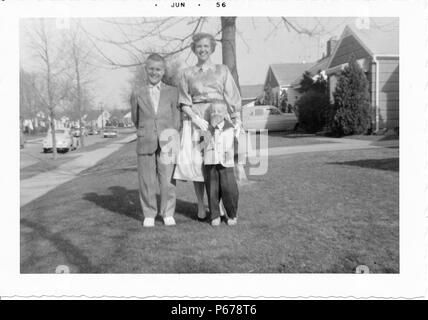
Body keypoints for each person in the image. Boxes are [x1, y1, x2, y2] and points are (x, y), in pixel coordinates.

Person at [173, 32, 242, 225]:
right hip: (197, 122)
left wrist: (236, 120)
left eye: (206, 46)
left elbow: (233, 96)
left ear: (211, 48)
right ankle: (201, 204)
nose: (202, 49)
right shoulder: (187, 73)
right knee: (198, 164)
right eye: (199, 46)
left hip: (219, 120)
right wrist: (194, 117)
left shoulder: (222, 70)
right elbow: (183, 101)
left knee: (218, 164)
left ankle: (218, 206)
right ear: (194, 49)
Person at [130, 53, 181, 228]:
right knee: (146, 180)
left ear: (163, 71)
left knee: (167, 179)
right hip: (146, 139)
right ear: (146, 69)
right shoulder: (138, 92)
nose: (154, 72)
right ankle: (149, 213)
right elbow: (135, 118)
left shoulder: (173, 92)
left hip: (168, 139)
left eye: (158, 69)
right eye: (151, 69)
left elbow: (177, 116)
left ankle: (167, 212)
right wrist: (146, 131)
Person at [203, 102, 239, 226]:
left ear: (225, 114)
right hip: (211, 162)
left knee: (229, 189)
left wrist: (236, 158)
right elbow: (202, 144)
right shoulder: (207, 127)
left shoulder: (231, 127)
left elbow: (236, 144)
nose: (216, 114)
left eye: (219, 111)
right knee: (212, 189)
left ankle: (232, 214)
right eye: (213, 111)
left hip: (226, 163)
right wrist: (211, 128)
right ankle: (215, 215)